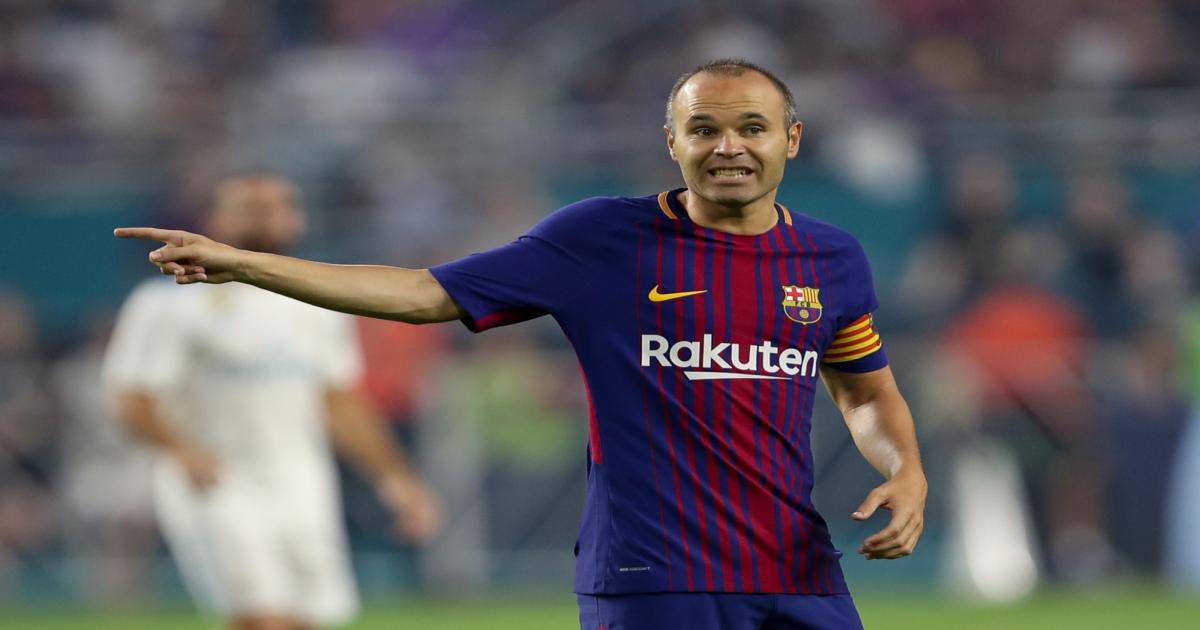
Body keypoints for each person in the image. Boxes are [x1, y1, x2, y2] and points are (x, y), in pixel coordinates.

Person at [116, 59, 927, 630]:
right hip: (657, 577)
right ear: (671, 140)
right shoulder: (602, 239)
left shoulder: (832, 258)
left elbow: (864, 389)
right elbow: (424, 293)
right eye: (704, 128)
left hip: (797, 570)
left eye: (752, 128)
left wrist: (906, 469)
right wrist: (245, 264)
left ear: (792, 138)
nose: (729, 147)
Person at [104, 175, 443, 630]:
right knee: (261, 618)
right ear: (216, 218)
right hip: (219, 481)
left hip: (301, 481)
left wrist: (395, 477)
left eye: (279, 206)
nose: (266, 216)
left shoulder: (318, 302)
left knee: (314, 617)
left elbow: (339, 400)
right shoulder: (168, 303)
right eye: (249, 207)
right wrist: (181, 450)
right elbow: (131, 398)